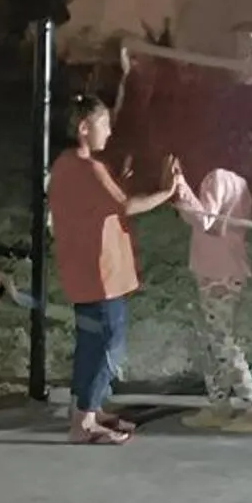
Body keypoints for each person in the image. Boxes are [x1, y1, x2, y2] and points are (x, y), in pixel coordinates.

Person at [48, 95, 181, 445]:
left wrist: (117, 179)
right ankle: (84, 424)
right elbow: (125, 206)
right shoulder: (90, 169)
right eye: (103, 123)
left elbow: (91, 206)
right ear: (83, 128)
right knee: (107, 347)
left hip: (80, 273)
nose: (109, 130)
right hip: (103, 278)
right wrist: (166, 192)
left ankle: (85, 409)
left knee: (89, 345)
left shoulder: (63, 165)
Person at [172, 165, 252, 432]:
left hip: (218, 272)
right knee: (214, 340)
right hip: (223, 270)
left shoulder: (217, 177)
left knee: (222, 342)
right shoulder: (238, 182)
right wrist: (181, 196)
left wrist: (180, 185)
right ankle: (219, 405)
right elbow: (202, 218)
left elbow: (205, 220)